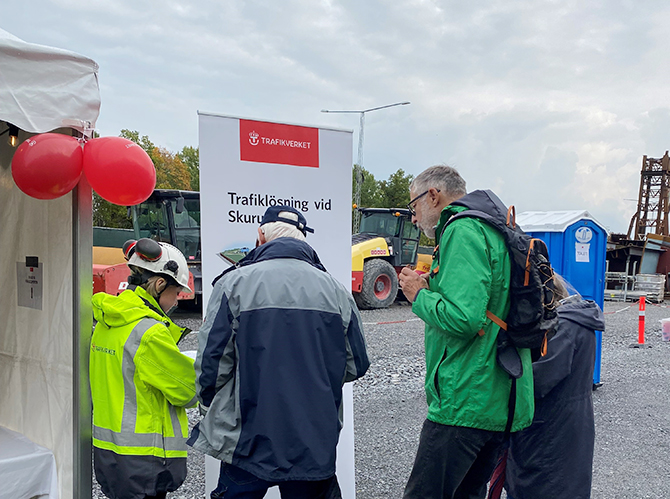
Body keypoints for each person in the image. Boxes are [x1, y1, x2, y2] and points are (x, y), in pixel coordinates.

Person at [188, 205, 370, 499]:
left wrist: (213, 412)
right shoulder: (337, 292)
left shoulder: (233, 284)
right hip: (313, 442)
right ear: (303, 240)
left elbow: (210, 366)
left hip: (246, 440)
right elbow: (356, 364)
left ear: (260, 235)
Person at [398, 165, 535, 499]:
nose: (414, 218)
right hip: (498, 397)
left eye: (414, 206)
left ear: (434, 195)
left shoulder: (462, 229)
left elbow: (464, 319)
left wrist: (419, 295)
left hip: (465, 400)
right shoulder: (495, 225)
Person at [90, 238, 198, 499]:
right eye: (176, 292)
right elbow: (188, 391)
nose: (176, 301)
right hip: (144, 462)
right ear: (160, 284)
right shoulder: (148, 332)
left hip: (109, 454)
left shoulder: (107, 321)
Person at [503, 277, 605, 499]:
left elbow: (537, 382)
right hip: (568, 427)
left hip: (551, 431)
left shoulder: (563, 327)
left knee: (545, 486)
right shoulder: (577, 321)